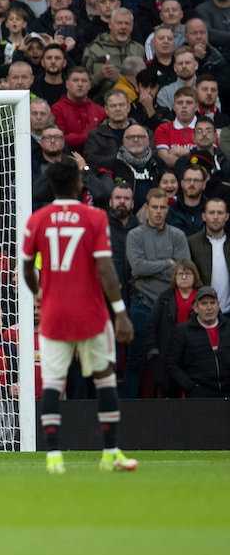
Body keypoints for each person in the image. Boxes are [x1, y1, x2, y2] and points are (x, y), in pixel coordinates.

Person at [22, 158, 138, 473]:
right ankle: (111, 453)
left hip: (54, 314)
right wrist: (120, 312)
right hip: (91, 313)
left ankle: (54, 457)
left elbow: (26, 268)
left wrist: (40, 295)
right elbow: (104, 267)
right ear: (78, 185)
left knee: (53, 384)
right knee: (104, 379)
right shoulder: (94, 216)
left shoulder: (37, 219)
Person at [125, 187, 190, 398]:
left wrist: (148, 269)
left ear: (168, 209)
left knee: (174, 360)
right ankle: (128, 410)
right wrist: (167, 264)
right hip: (142, 305)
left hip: (171, 306)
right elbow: (137, 266)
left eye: (163, 207)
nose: (159, 211)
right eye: (155, 207)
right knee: (135, 360)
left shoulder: (178, 235)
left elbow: (182, 272)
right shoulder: (135, 235)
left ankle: (173, 410)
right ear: (146, 208)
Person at [146, 259, 201, 397]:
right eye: (180, 274)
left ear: (195, 277)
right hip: (169, 355)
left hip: (195, 356)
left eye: (188, 274)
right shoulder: (164, 298)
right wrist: (154, 354)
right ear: (174, 277)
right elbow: (151, 327)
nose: (183, 277)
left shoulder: (203, 298)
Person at [165, 285, 230, 396]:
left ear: (218, 305)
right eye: (204, 303)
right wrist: (190, 386)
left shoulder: (228, 327)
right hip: (201, 393)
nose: (209, 308)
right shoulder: (182, 331)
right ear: (195, 307)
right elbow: (171, 364)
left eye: (212, 303)